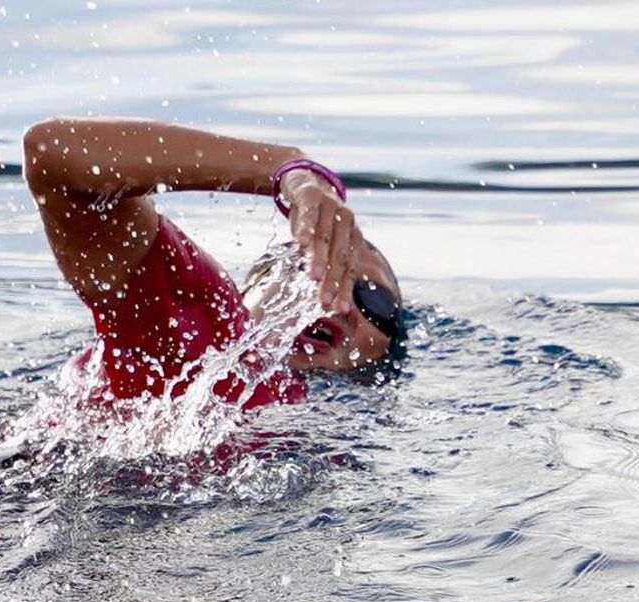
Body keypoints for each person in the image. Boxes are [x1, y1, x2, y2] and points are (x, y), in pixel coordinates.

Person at [21, 118, 404, 412]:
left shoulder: (344, 441)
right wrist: (291, 170)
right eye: (309, 266)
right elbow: (53, 154)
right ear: (247, 294)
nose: (335, 299)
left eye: (373, 298)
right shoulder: (202, 335)